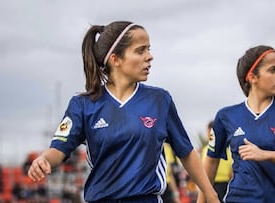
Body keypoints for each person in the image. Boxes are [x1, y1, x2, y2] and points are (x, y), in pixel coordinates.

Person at [27, 21, 219, 203]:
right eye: (140, 50)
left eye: (148, 49)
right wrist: (43, 160)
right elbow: (59, 149)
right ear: (115, 59)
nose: (149, 56)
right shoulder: (83, 105)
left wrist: (210, 195)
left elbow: (185, 152)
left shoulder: (160, 100)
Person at [197, 45, 275, 203]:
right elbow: (211, 162)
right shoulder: (225, 116)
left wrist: (264, 154)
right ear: (253, 77)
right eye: (273, 70)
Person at [200, 121, 233, 202]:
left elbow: (232, 171)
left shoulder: (228, 150)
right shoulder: (205, 150)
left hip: (225, 184)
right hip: (210, 184)